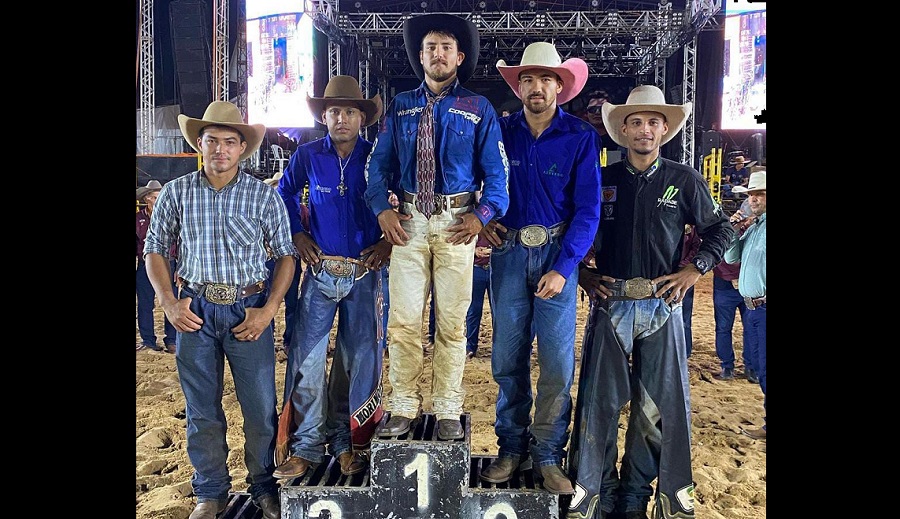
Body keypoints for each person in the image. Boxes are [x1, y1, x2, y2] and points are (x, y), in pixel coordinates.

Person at [568, 85, 733, 519]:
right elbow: (574, 230)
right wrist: (582, 273)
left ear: (665, 130)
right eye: (636, 122)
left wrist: (694, 268)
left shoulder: (684, 179)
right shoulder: (602, 180)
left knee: (654, 408)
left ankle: (635, 497)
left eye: (653, 122)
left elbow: (722, 230)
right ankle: (598, 496)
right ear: (623, 131)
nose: (645, 129)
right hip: (611, 303)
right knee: (599, 404)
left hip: (663, 307)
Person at [143, 101, 295, 519]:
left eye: (230, 141)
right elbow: (154, 248)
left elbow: (285, 256)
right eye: (213, 141)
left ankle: (263, 485)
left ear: (242, 148)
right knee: (202, 409)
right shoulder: (177, 193)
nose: (221, 149)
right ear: (200, 144)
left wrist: (267, 311)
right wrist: (168, 303)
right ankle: (210, 492)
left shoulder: (263, 196)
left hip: (248, 310)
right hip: (194, 310)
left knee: (261, 409)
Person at [364, 13, 510, 441]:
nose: (438, 54)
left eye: (446, 48)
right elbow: (379, 168)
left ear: (459, 58)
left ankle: (448, 405)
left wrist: (481, 216)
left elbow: (498, 176)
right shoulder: (401, 105)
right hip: (408, 224)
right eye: (430, 48)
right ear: (421, 57)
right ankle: (404, 405)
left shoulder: (478, 108)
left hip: (455, 225)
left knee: (452, 322)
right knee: (403, 321)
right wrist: (382, 211)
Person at [479, 41, 600, 495]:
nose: (535, 87)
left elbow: (587, 210)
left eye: (544, 79)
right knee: (506, 359)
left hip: (554, 255)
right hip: (509, 253)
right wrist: (484, 219)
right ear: (519, 86)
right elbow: (477, 181)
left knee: (555, 363)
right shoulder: (499, 131)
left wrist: (566, 266)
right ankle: (512, 447)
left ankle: (547, 453)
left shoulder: (581, 136)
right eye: (527, 79)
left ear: (559, 85)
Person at [270, 75, 390, 480]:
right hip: (321, 270)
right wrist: (297, 233)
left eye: (349, 112)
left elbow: (401, 201)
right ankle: (305, 445)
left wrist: (388, 244)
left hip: (365, 271)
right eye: (334, 111)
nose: (341, 118)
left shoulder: (378, 156)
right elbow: (285, 193)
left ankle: (348, 443)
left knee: (360, 360)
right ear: (325, 117)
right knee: (307, 358)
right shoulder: (307, 155)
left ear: (362, 118)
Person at [724, 170, 766, 441]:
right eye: (751, 194)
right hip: (754, 309)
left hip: (763, 307)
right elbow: (730, 258)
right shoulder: (753, 227)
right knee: (762, 369)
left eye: (759, 194)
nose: (753, 198)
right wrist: (731, 230)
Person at [136, 180, 177, 353]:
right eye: (154, 197)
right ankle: (148, 340)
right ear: (147, 199)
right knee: (145, 303)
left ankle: (172, 340)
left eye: (159, 197)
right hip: (145, 264)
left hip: (170, 263)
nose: (157, 200)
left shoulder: (173, 217)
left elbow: (180, 242)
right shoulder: (138, 219)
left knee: (172, 301)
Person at [466, 234, 493, 359]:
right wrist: (474, 250)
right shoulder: (473, 218)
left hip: (497, 269)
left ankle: (499, 348)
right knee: (473, 310)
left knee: (498, 312)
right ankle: (470, 346)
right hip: (476, 268)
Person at [678, 224, 702, 357]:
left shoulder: (691, 227)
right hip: (662, 273)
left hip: (684, 276)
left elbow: (696, 246)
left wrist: (684, 266)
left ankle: (685, 354)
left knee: (685, 319)